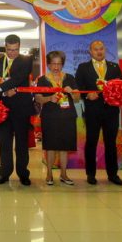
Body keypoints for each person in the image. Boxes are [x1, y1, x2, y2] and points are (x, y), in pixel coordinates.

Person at [0, 34, 34, 186]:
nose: (12, 52)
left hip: (21, 108)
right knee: (4, 143)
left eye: (15, 49)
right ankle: (4, 174)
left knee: (21, 143)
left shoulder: (26, 60)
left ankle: (23, 174)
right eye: (9, 49)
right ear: (5, 47)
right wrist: (4, 92)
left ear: (19, 47)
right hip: (3, 109)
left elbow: (19, 78)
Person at [75, 40, 122, 185]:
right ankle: (91, 174)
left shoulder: (114, 67)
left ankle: (113, 174)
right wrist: (86, 95)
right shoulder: (83, 68)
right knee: (91, 142)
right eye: (95, 49)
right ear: (90, 51)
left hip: (111, 111)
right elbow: (78, 87)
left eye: (101, 48)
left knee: (111, 143)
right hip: (92, 111)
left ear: (105, 49)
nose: (99, 51)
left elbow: (121, 87)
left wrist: (116, 95)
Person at [35, 50, 80, 185]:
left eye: (59, 64)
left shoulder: (70, 78)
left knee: (64, 147)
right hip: (50, 117)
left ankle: (64, 174)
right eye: (53, 64)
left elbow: (77, 98)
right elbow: (38, 98)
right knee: (51, 146)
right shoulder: (43, 79)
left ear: (62, 64)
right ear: (48, 65)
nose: (56, 67)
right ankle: (49, 174)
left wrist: (72, 92)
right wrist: (50, 98)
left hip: (67, 116)